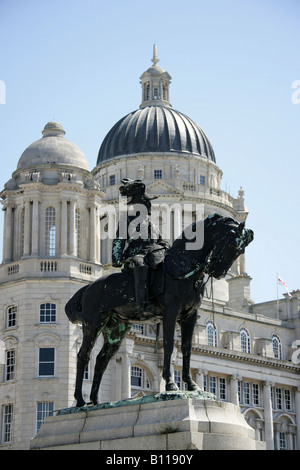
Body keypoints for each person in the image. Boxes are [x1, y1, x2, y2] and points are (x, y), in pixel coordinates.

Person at [112, 179, 169, 314]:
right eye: (146, 203)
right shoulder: (127, 220)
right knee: (141, 265)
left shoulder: (153, 225)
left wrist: (167, 247)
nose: (149, 206)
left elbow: (160, 241)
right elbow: (119, 240)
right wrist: (117, 258)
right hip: (134, 255)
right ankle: (142, 304)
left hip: (152, 255)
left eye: (149, 204)